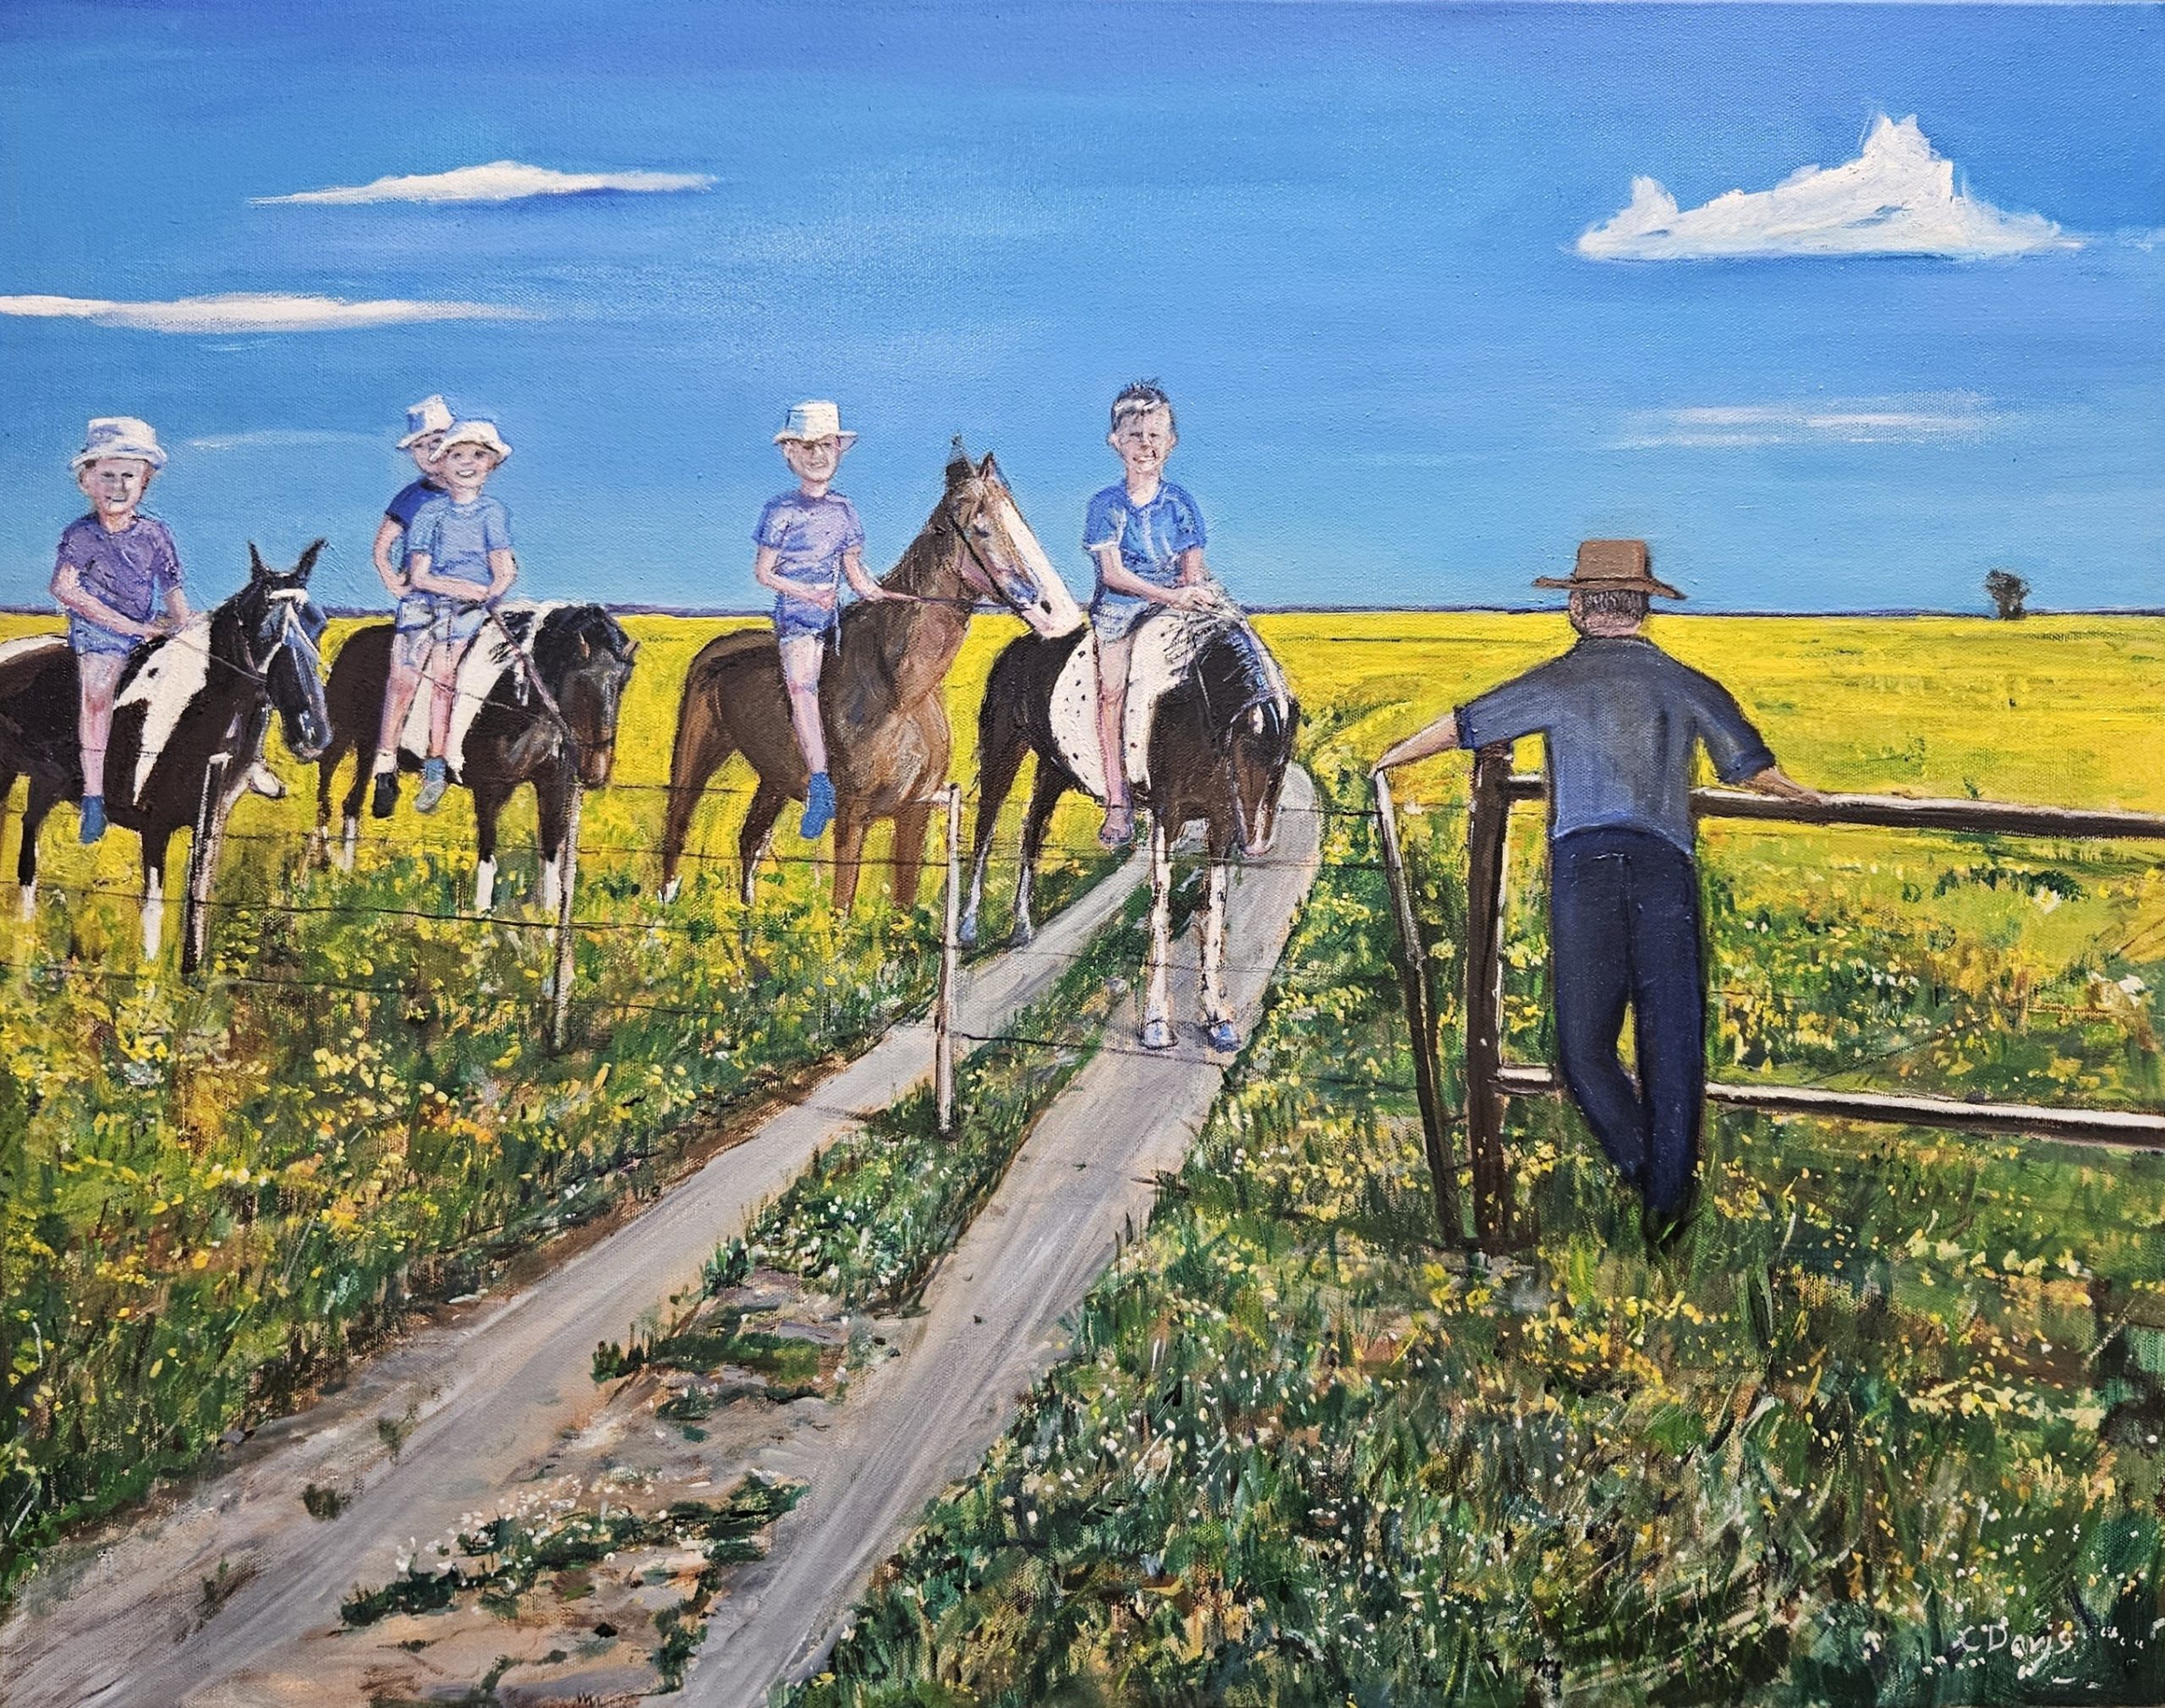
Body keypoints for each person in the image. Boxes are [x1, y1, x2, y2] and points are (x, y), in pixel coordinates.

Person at [1372, 539, 1822, 1249]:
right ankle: (1668, 1196)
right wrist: (1810, 800)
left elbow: (1463, 727)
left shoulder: (1558, 681)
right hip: (1664, 868)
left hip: (1585, 869)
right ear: (1643, 606)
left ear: (1579, 607)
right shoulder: (1685, 682)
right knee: (1672, 1041)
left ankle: (1646, 1174)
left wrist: (1389, 759)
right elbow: (1752, 770)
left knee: (1583, 1050)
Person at [752, 400, 895, 840]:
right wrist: (807, 593)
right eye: (807, 447)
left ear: (838, 451)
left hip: (837, 619)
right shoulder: (780, 510)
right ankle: (819, 784)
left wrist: (873, 590)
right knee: (802, 688)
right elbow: (764, 573)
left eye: (826, 445)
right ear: (790, 453)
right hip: (798, 619)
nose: (818, 455)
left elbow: (854, 572)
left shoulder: (845, 510)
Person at [1083, 380, 1216, 848]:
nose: (1146, 445)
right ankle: (1118, 800)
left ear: (1171, 442)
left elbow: (1191, 567)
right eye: (1135, 436)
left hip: (1174, 603)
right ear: (1116, 442)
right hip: (1120, 610)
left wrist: (1191, 593)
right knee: (1112, 693)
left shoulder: (1180, 503)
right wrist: (1171, 596)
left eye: (1155, 435)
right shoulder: (1106, 505)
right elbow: (1113, 574)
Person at [48, 417, 191, 844]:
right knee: (98, 694)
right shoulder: (81, 534)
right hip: (100, 633)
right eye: (107, 475)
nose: (118, 486)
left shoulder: (155, 534)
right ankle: (94, 795)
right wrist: (130, 626)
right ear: (86, 481)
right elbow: (64, 587)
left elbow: (174, 594)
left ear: (145, 481)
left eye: (129, 476)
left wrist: (184, 629)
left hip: (146, 630)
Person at [403, 419, 518, 813]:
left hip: (482, 609)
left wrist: (493, 590)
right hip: (439, 609)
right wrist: (466, 590)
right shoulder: (430, 514)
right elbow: (420, 576)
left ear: (491, 464)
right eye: (456, 455)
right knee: (444, 674)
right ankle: (436, 766)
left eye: (478, 455)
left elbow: (503, 567)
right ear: (443, 462)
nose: (467, 463)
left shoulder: (494, 513)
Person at [366, 394, 453, 818]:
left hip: (462, 603)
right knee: (403, 678)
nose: (429, 453)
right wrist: (394, 584)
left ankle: (438, 766)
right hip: (420, 601)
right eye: (420, 446)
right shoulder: (411, 497)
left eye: (436, 443)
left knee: (448, 682)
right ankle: (385, 765)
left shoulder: (469, 497)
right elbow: (382, 547)